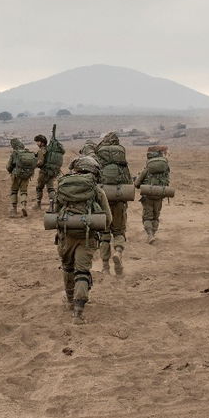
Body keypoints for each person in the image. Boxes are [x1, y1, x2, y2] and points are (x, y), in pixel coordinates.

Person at [52, 156, 112, 323]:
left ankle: (70, 300)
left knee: (67, 268)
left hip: (66, 236)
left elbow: (55, 213)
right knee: (82, 272)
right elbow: (108, 218)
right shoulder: (97, 191)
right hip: (87, 238)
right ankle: (78, 312)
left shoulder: (63, 187)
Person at [94, 132, 132, 274]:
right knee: (119, 232)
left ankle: (105, 267)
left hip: (103, 203)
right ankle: (118, 252)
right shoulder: (122, 165)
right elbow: (129, 183)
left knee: (104, 235)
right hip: (118, 203)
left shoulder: (99, 162)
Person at [135, 149, 172, 243]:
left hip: (148, 197)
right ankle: (153, 234)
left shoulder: (147, 169)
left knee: (147, 217)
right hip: (159, 196)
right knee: (156, 217)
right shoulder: (165, 169)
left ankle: (150, 235)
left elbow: (136, 184)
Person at [6, 137, 37, 217]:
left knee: (14, 191)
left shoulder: (15, 153)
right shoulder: (28, 152)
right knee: (23, 192)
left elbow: (9, 166)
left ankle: (14, 210)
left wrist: (10, 171)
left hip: (16, 175)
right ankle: (23, 206)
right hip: (25, 175)